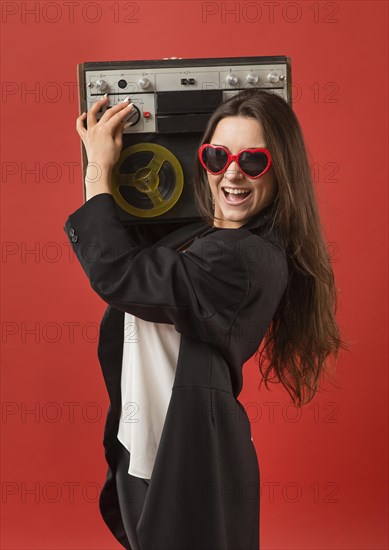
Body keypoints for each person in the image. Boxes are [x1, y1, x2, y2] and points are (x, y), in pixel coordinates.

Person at [64, 88, 346, 550]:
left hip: (189, 459)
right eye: (217, 156)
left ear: (283, 173)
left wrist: (97, 169)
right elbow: (134, 237)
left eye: (253, 161)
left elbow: (120, 272)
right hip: (149, 451)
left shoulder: (248, 259)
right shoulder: (200, 237)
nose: (232, 172)